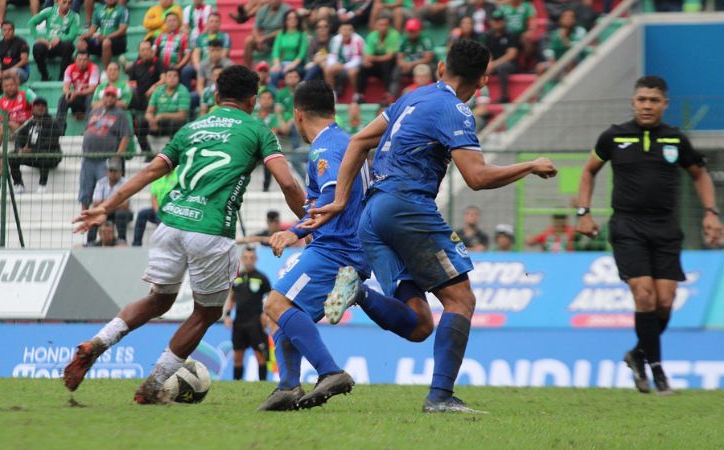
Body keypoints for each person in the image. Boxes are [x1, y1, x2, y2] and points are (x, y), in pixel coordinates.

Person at [301, 39, 557, 413]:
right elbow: (477, 177)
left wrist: (340, 201)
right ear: (484, 80)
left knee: (420, 324)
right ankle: (440, 397)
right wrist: (529, 165)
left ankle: (360, 293)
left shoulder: (411, 98)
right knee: (461, 300)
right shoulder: (455, 109)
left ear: (441, 67)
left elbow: (357, 142)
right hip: (408, 206)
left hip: (372, 216)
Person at [63, 65, 306, 404]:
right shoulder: (258, 130)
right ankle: (152, 386)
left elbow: (149, 171)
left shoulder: (192, 128)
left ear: (217, 96)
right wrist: (307, 221)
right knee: (206, 312)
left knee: (157, 300)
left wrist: (106, 206)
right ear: (252, 100)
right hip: (211, 230)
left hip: (171, 223)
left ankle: (97, 343)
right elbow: (287, 181)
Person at [576, 75, 722, 395]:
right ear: (633, 102)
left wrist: (711, 213)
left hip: (666, 228)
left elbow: (700, 175)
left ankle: (637, 354)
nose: (647, 105)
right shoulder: (613, 137)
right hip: (627, 226)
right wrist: (584, 212)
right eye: (642, 99)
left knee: (665, 302)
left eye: (654, 100)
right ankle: (657, 371)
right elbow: (588, 171)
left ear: (664, 105)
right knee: (644, 295)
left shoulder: (675, 140)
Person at [258, 79, 373, 410]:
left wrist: (294, 231)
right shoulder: (342, 141)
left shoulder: (326, 148)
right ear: (333, 110)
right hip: (343, 244)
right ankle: (287, 386)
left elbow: (331, 197)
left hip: (337, 247)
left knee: (275, 304)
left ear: (297, 115)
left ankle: (330, 371)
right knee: (287, 312)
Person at [77, 86, 131, 212]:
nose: (109, 98)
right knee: (85, 189)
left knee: (105, 190)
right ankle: (84, 215)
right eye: (107, 95)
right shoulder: (94, 111)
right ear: (103, 97)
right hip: (88, 157)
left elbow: (125, 136)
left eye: (112, 96)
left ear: (116, 99)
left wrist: (118, 156)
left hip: (106, 158)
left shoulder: (120, 114)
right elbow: (87, 129)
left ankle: (103, 219)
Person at [223, 247, 272, 381]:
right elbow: (232, 297)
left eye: (251, 258)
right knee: (237, 357)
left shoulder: (262, 278)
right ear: (242, 259)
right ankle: (236, 385)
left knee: (260, 356)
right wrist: (227, 315)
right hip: (239, 322)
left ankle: (262, 384)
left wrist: (266, 315)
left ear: (256, 259)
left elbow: (270, 298)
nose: (249, 260)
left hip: (256, 322)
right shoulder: (237, 278)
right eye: (246, 257)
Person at [11, 97, 63, 194]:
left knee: (45, 154)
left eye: (43, 105)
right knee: (12, 155)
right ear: (33, 108)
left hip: (51, 156)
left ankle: (42, 185)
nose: (40, 107)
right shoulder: (29, 123)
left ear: (47, 108)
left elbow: (51, 144)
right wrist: (20, 150)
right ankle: (18, 184)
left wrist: (32, 150)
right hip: (32, 156)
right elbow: (19, 138)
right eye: (37, 105)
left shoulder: (53, 123)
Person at [29, 0, 80, 81]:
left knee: (69, 46)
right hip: (48, 43)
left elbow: (72, 35)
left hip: (61, 45)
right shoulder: (49, 11)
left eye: (69, 3)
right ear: (57, 2)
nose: (67, 5)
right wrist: (38, 38)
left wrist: (59, 39)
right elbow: (31, 23)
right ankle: (45, 75)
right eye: (64, 2)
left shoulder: (74, 16)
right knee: (37, 48)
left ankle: (62, 76)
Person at [355, 15, 400, 103]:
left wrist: (373, 58)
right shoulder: (372, 36)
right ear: (376, 26)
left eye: (385, 25)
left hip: (390, 65)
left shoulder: (394, 35)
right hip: (377, 64)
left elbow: (389, 56)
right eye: (380, 25)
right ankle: (360, 95)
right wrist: (368, 61)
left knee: (386, 64)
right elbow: (368, 55)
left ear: (389, 26)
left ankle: (388, 94)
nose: (383, 27)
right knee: (363, 67)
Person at [145, 68, 190, 153]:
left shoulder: (183, 91)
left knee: (175, 124)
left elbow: (182, 115)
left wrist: (163, 116)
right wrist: (151, 120)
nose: (172, 78)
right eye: (169, 76)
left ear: (179, 78)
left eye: (175, 76)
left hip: (174, 122)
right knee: (141, 122)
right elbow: (149, 111)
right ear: (165, 78)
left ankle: (173, 152)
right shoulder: (158, 90)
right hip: (158, 122)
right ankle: (147, 152)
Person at [88, 157, 133, 242]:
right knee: (94, 215)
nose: (113, 173)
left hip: (121, 212)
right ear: (107, 172)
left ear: (121, 172)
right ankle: (90, 242)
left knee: (121, 214)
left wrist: (106, 204)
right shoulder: (101, 182)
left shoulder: (125, 182)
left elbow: (125, 204)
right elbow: (96, 203)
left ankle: (122, 240)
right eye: (111, 170)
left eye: (115, 171)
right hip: (106, 210)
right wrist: (115, 204)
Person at [77, 0, 129, 70]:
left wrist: (107, 37)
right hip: (101, 40)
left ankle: (106, 71)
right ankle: (84, 70)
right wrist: (87, 36)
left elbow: (122, 30)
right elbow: (93, 28)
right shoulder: (99, 9)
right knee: (81, 43)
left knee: (106, 42)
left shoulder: (123, 10)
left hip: (118, 42)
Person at [186, 12, 230, 91]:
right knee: (186, 71)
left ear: (220, 23)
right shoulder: (201, 37)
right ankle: (186, 93)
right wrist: (200, 67)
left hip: (219, 65)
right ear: (207, 23)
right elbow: (196, 54)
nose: (214, 23)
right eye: (212, 21)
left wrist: (212, 68)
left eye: (216, 21)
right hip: (203, 65)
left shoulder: (225, 37)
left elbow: (223, 54)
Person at [132, 170, 177, 246]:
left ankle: (161, 245)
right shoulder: (158, 176)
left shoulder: (178, 174)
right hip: (158, 209)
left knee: (160, 218)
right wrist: (158, 211)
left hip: (172, 210)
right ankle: (136, 244)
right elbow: (153, 197)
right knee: (142, 214)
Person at [391, 18, 433, 98]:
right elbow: (399, 58)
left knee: (431, 68)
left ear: (419, 30)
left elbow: (428, 58)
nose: (411, 33)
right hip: (408, 66)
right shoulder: (403, 39)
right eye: (409, 31)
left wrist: (412, 64)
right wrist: (403, 64)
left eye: (413, 31)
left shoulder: (426, 39)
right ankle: (392, 95)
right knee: (397, 70)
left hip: (424, 64)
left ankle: (435, 89)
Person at [243, 0, 291, 69]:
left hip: (281, 38)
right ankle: (246, 68)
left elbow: (285, 29)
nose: (274, 1)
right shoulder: (262, 10)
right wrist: (258, 39)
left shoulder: (287, 9)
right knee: (248, 40)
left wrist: (264, 38)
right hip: (264, 39)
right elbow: (255, 28)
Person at [484, 11, 518, 104]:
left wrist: (494, 64)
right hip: (494, 63)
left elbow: (511, 54)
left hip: (511, 64)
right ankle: (482, 98)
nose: (497, 22)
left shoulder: (510, 34)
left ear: (504, 21)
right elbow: (488, 52)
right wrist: (488, 63)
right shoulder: (488, 35)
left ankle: (504, 96)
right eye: (495, 20)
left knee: (502, 67)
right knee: (480, 67)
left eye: (499, 20)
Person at [269, 10, 307, 88]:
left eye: (295, 18)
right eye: (289, 18)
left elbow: (302, 54)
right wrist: (276, 64)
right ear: (285, 21)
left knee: (292, 75)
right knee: (273, 74)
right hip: (283, 63)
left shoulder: (302, 34)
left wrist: (292, 65)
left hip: (297, 64)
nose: (292, 20)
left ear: (298, 20)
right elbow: (275, 51)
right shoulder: (281, 34)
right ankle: (276, 97)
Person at [324, 22, 364, 95]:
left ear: (353, 31)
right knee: (327, 69)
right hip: (341, 64)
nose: (346, 32)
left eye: (349, 30)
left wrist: (343, 66)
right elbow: (332, 56)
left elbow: (357, 60)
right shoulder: (335, 40)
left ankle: (357, 94)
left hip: (355, 64)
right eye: (344, 29)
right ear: (339, 31)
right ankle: (332, 94)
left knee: (352, 72)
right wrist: (334, 64)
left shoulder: (357, 40)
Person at [58, 51, 99, 121]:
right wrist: (68, 93)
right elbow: (65, 86)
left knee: (90, 98)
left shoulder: (93, 68)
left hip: (89, 95)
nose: (82, 62)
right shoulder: (70, 68)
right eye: (80, 60)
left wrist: (76, 93)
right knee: (63, 99)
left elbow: (92, 89)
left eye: (85, 60)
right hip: (77, 96)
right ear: (75, 60)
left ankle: (89, 127)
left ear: (89, 61)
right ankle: (59, 127)